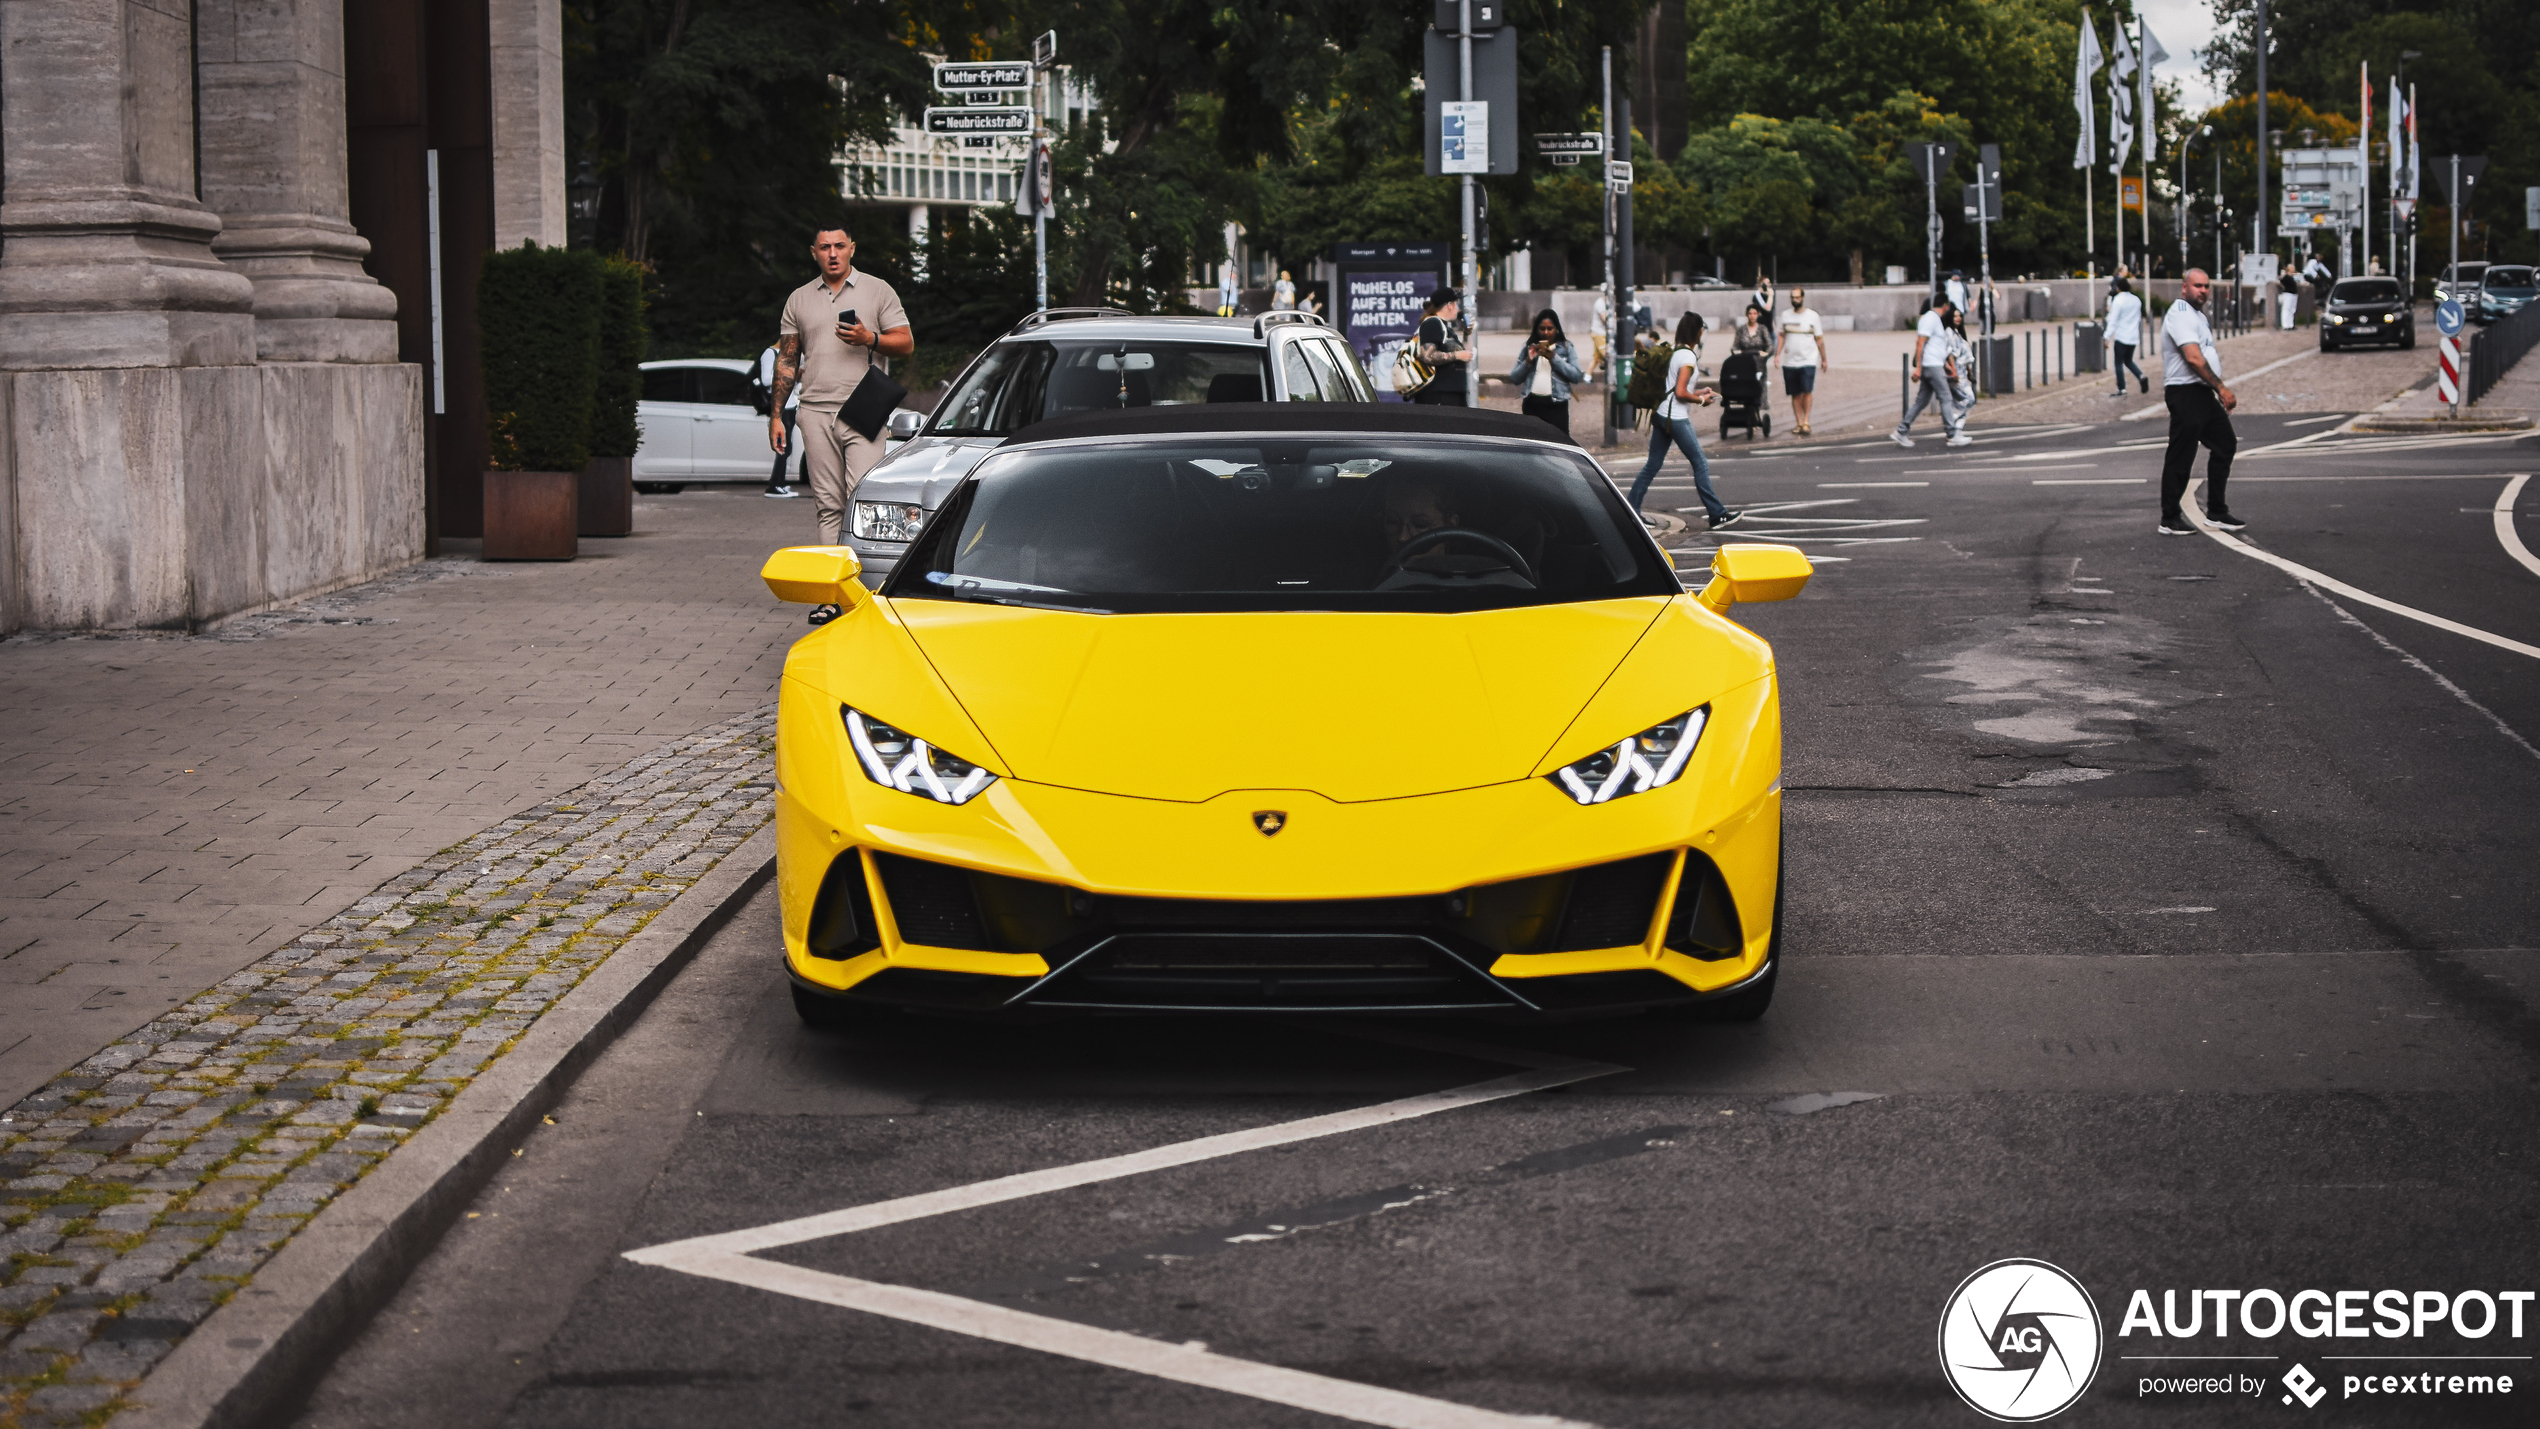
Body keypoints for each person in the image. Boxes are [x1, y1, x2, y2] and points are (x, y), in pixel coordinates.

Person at [773, 225, 913, 623]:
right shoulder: (798, 299)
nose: (832, 253)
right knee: (828, 505)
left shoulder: (877, 289)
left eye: (839, 246)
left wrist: (871, 338)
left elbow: (905, 342)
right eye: (824, 247)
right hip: (814, 411)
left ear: (852, 248)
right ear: (814, 253)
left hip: (863, 408)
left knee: (863, 501)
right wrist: (776, 416)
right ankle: (830, 596)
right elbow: (787, 360)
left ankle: (869, 592)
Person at [1629, 312, 1740, 529]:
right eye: (1701, 330)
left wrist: (1699, 390)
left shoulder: (1676, 351)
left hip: (1661, 414)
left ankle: (1632, 508)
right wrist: (1701, 400)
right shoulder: (1688, 357)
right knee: (1700, 463)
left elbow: (1675, 387)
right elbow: (1680, 392)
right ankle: (1717, 514)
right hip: (1676, 418)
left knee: (1653, 464)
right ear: (1697, 331)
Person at [2156, 267, 2242, 537]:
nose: (2202, 291)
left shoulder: (2197, 315)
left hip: (2200, 393)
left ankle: (2216, 511)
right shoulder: (2180, 313)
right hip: (2185, 392)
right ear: (2184, 287)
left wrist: (2214, 390)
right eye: (2197, 286)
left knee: (2225, 444)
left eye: (2206, 286)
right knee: (2182, 454)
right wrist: (2221, 388)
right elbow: (2193, 358)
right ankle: (2169, 518)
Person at [1891, 295, 1968, 448]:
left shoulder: (1934, 319)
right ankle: (1952, 434)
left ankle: (1901, 431)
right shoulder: (1931, 319)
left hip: (1933, 364)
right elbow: (1920, 342)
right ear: (1945, 306)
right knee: (1945, 397)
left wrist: (1948, 367)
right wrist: (1918, 368)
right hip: (1932, 366)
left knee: (1922, 401)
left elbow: (1935, 347)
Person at [1507, 308, 1585, 435]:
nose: (1546, 332)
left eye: (1550, 329)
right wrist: (1528, 361)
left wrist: (1554, 358)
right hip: (1532, 405)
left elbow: (1576, 376)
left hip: (1556, 406)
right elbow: (1514, 378)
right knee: (1533, 445)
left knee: (1558, 444)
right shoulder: (1529, 347)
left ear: (1557, 329)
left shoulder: (1566, 348)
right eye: (1542, 329)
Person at [756, 343, 803, 498]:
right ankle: (774, 485)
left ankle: (780, 482)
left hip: (789, 405)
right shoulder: (770, 353)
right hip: (779, 406)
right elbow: (766, 380)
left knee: (787, 447)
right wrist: (790, 374)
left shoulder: (785, 356)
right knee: (783, 446)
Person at [1775, 288, 1824, 436]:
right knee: (1795, 393)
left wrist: (1824, 359)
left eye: (1797, 297)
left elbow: (1819, 339)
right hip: (1790, 361)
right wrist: (1777, 355)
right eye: (1793, 297)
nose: (1795, 300)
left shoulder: (1812, 316)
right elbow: (1781, 336)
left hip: (1808, 359)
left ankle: (1806, 421)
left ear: (1803, 298)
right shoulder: (1785, 316)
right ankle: (1799, 422)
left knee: (1807, 391)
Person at [1412, 288, 1473, 406]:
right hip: (1438, 396)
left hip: (1452, 394)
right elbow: (1427, 356)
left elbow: (1466, 355)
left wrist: (1467, 334)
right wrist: (1457, 355)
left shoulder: (1446, 328)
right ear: (1450, 306)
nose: (1458, 309)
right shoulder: (1432, 323)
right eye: (1457, 305)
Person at [2106, 277, 2147, 395]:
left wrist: (2107, 336)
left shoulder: (2118, 300)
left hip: (2121, 336)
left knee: (2118, 362)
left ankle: (2121, 388)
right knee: (2128, 360)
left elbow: (2113, 320)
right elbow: (2139, 318)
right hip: (2133, 336)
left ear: (2118, 288)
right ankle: (2141, 376)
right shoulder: (2136, 300)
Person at [1751, 271, 1776, 337]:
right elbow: (1767, 308)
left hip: (1770, 328)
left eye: (1769, 283)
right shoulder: (1757, 295)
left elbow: (1770, 312)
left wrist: (1774, 326)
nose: (1768, 285)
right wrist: (1770, 296)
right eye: (1766, 283)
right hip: (1761, 329)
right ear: (1761, 284)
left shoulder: (1768, 295)